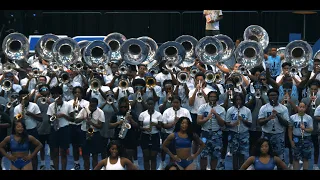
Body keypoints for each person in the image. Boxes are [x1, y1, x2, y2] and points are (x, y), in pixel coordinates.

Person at [289, 102, 313, 170]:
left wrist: (304, 129)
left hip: (306, 139)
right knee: (296, 158)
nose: (301, 108)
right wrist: (291, 141)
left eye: (303, 107)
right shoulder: (292, 117)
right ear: (297, 107)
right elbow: (290, 129)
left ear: (305, 108)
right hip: (296, 138)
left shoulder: (309, 118)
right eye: (300, 107)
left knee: (306, 158)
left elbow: (311, 129)